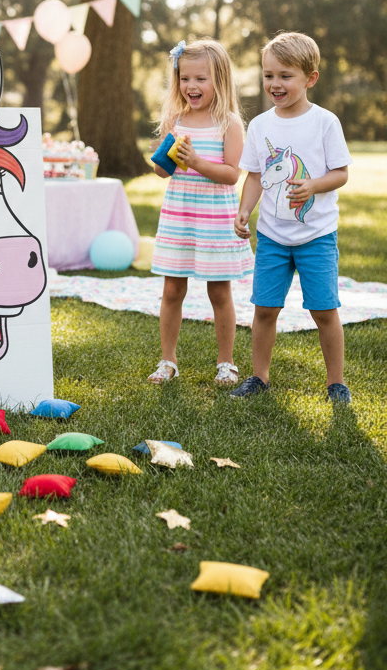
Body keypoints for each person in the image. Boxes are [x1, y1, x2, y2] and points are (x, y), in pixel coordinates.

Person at [232, 31, 351, 402]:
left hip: (316, 236)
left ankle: (336, 383)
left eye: (286, 76)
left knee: (324, 310)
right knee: (264, 308)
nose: (275, 84)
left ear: (310, 78)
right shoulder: (260, 126)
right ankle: (258, 378)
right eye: (269, 75)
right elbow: (254, 174)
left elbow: (341, 173)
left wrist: (313, 185)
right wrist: (244, 210)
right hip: (272, 235)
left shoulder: (325, 122)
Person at [148, 39, 253, 386]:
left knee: (219, 292)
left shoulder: (229, 123)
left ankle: (226, 362)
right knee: (172, 291)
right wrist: (163, 159)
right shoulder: (175, 119)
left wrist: (197, 162)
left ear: (219, 80)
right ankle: (168, 361)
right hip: (180, 216)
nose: (191, 86)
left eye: (200, 79)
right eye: (184, 78)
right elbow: (165, 171)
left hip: (214, 218)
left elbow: (232, 174)